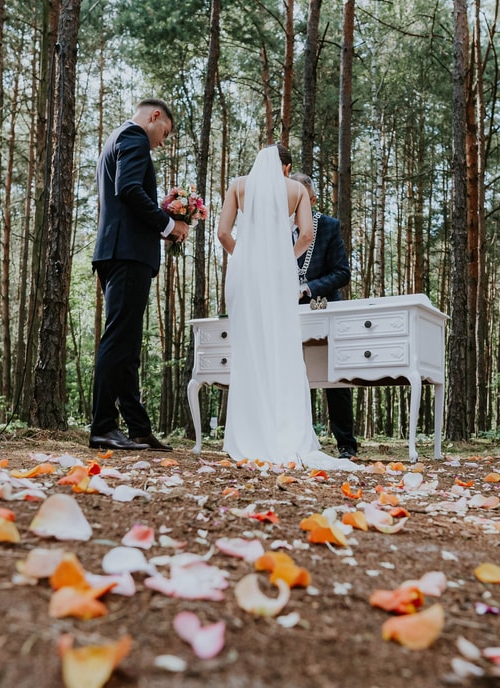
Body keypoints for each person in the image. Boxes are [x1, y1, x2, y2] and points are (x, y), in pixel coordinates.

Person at [215, 144, 358, 470]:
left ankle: (247, 434)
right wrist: (279, 262)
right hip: (279, 278)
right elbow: (306, 235)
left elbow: (223, 233)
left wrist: (249, 260)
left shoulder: (238, 185)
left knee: (249, 350)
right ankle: (286, 432)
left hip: (244, 277)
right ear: (286, 167)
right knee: (283, 352)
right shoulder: (296, 190)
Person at [89, 99, 189, 451]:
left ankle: (137, 427)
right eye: (164, 133)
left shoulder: (117, 138)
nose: (161, 142)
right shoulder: (133, 136)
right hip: (126, 252)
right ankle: (102, 426)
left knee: (127, 344)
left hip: (118, 251)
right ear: (154, 116)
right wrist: (168, 225)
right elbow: (129, 189)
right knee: (118, 341)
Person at [290, 172, 359, 460]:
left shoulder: (328, 227)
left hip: (324, 308)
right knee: (289, 376)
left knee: (335, 377)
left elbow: (342, 272)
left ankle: (346, 444)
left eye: (300, 199)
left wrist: (306, 288)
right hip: (285, 315)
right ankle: (292, 439)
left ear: (313, 199)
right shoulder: (274, 230)